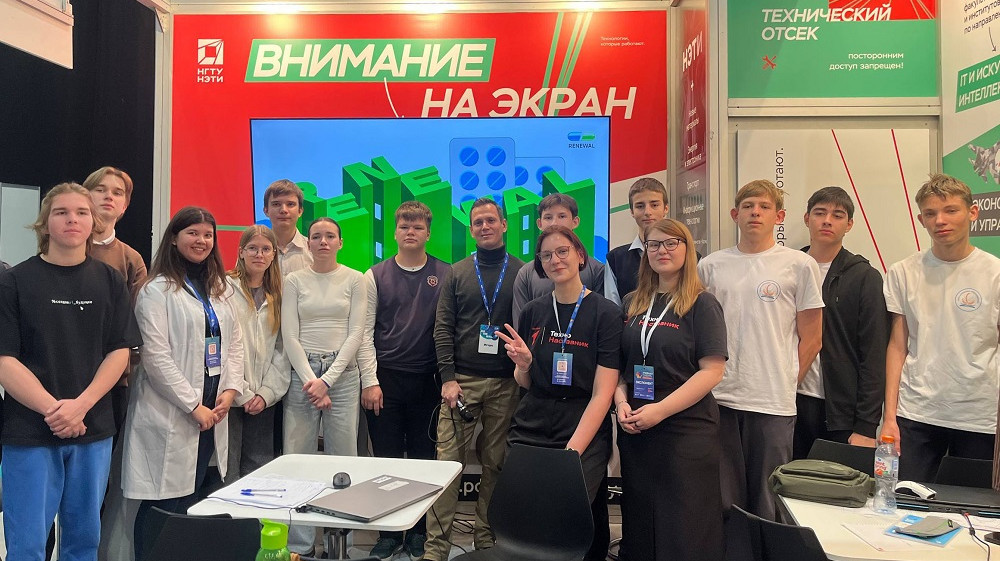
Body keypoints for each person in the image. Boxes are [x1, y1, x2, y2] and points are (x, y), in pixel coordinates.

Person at [0, 182, 141, 561]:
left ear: (93, 222)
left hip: (91, 429)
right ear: (45, 223)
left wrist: (81, 406)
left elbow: (119, 351)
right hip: (30, 432)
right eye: (61, 212)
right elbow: (5, 360)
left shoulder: (110, 281)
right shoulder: (13, 282)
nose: (72, 220)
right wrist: (55, 410)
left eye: (81, 212)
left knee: (83, 543)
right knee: (27, 546)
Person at [122, 206, 245, 560]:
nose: (201, 240)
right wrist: (193, 406)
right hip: (173, 412)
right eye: (193, 233)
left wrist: (230, 391)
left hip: (213, 411)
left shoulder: (222, 289)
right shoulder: (156, 290)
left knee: (196, 497)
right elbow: (155, 356)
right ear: (174, 238)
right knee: (164, 504)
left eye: (208, 235)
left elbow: (234, 344)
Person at [697, 179, 823, 521]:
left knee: (769, 502)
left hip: (772, 402)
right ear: (735, 214)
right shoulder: (710, 266)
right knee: (723, 501)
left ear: (779, 216)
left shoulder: (799, 265)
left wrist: (787, 381)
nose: (756, 212)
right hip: (720, 398)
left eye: (765, 206)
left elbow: (813, 338)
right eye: (748, 206)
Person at [498, 225, 621, 561]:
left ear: (580, 255)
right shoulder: (533, 311)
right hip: (533, 420)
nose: (555, 260)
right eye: (546, 255)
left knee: (568, 513)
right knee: (526, 512)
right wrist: (524, 365)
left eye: (562, 251)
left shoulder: (606, 314)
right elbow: (525, 382)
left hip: (582, 421)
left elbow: (603, 394)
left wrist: (570, 454)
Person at [613, 218, 727, 561]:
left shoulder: (702, 304)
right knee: (640, 518)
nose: (661, 250)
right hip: (636, 426)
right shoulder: (633, 302)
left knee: (682, 523)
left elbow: (712, 371)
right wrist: (620, 403)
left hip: (684, 429)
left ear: (687, 249)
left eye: (671, 243)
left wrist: (660, 411)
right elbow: (620, 366)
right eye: (653, 244)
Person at [423, 197, 524, 561]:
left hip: (507, 384)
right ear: (471, 229)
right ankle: (436, 548)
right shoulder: (457, 272)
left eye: (490, 220)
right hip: (461, 383)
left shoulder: (523, 272)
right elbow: (443, 328)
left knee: (496, 464)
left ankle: (486, 540)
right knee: (448, 465)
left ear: (504, 224)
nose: (484, 226)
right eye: (478, 222)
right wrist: (448, 379)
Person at [881, 174, 1000, 482]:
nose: (940, 221)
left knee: (974, 507)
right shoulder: (903, 272)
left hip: (980, 416)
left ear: (973, 213)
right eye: (931, 213)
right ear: (921, 219)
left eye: (950, 210)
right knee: (906, 500)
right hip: (916, 412)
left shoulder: (994, 273)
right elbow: (897, 346)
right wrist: (889, 416)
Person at [360, 201, 451, 560]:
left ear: (428, 233)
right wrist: (370, 381)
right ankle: (387, 532)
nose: (410, 232)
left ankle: (417, 531)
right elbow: (365, 333)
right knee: (385, 461)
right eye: (404, 226)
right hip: (385, 382)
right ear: (395, 232)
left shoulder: (445, 273)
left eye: (417, 227)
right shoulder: (374, 275)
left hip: (428, 382)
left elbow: (448, 331)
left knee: (422, 460)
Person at [281, 217, 372, 556]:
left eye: (330, 236)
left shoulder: (355, 279)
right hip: (302, 376)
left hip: (343, 377)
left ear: (340, 242)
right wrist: (312, 381)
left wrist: (327, 380)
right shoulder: (293, 280)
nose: (323, 241)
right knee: (297, 461)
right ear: (308, 242)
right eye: (316, 236)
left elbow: (356, 333)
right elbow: (289, 335)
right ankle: (300, 546)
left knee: (344, 461)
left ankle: (339, 544)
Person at [793, 186, 889, 459]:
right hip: (789, 404)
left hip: (840, 413)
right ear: (806, 218)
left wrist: (866, 426)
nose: (827, 221)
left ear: (849, 225)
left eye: (837, 215)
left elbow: (874, 354)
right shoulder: (788, 269)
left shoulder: (865, 277)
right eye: (819, 213)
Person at [225, 225, 289, 481]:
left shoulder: (280, 295)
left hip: (263, 399)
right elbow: (220, 345)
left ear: (274, 254)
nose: (259, 254)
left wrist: (266, 393)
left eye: (265, 249)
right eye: (252, 248)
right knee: (226, 470)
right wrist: (241, 391)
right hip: (230, 395)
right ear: (241, 252)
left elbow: (283, 349)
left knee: (258, 469)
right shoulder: (223, 288)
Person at [512, 193, 605, 325]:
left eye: (562, 216)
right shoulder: (525, 274)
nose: (554, 223)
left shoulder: (597, 270)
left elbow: (602, 317)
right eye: (548, 217)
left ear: (575, 221)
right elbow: (521, 325)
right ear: (539, 223)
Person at [604, 178, 668, 305]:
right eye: (640, 206)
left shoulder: (689, 256)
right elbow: (612, 310)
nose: (648, 212)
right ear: (632, 212)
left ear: (665, 208)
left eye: (654, 205)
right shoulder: (615, 260)